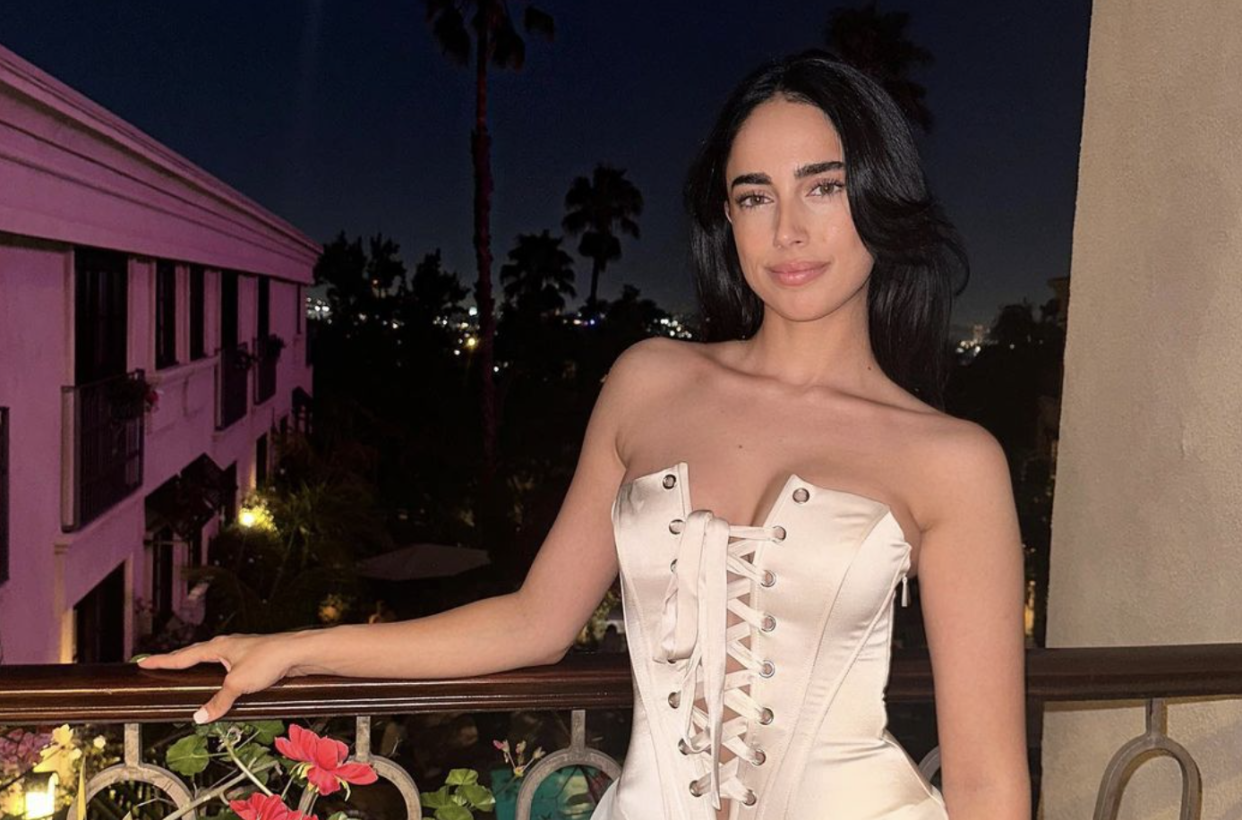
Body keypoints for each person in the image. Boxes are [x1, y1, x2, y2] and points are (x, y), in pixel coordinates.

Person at [139, 49, 1031, 819]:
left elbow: (989, 785)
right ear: (727, 218)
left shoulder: (952, 462)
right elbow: (536, 620)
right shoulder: (651, 381)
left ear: (879, 196)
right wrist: (297, 648)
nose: (788, 229)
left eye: (824, 187)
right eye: (754, 196)